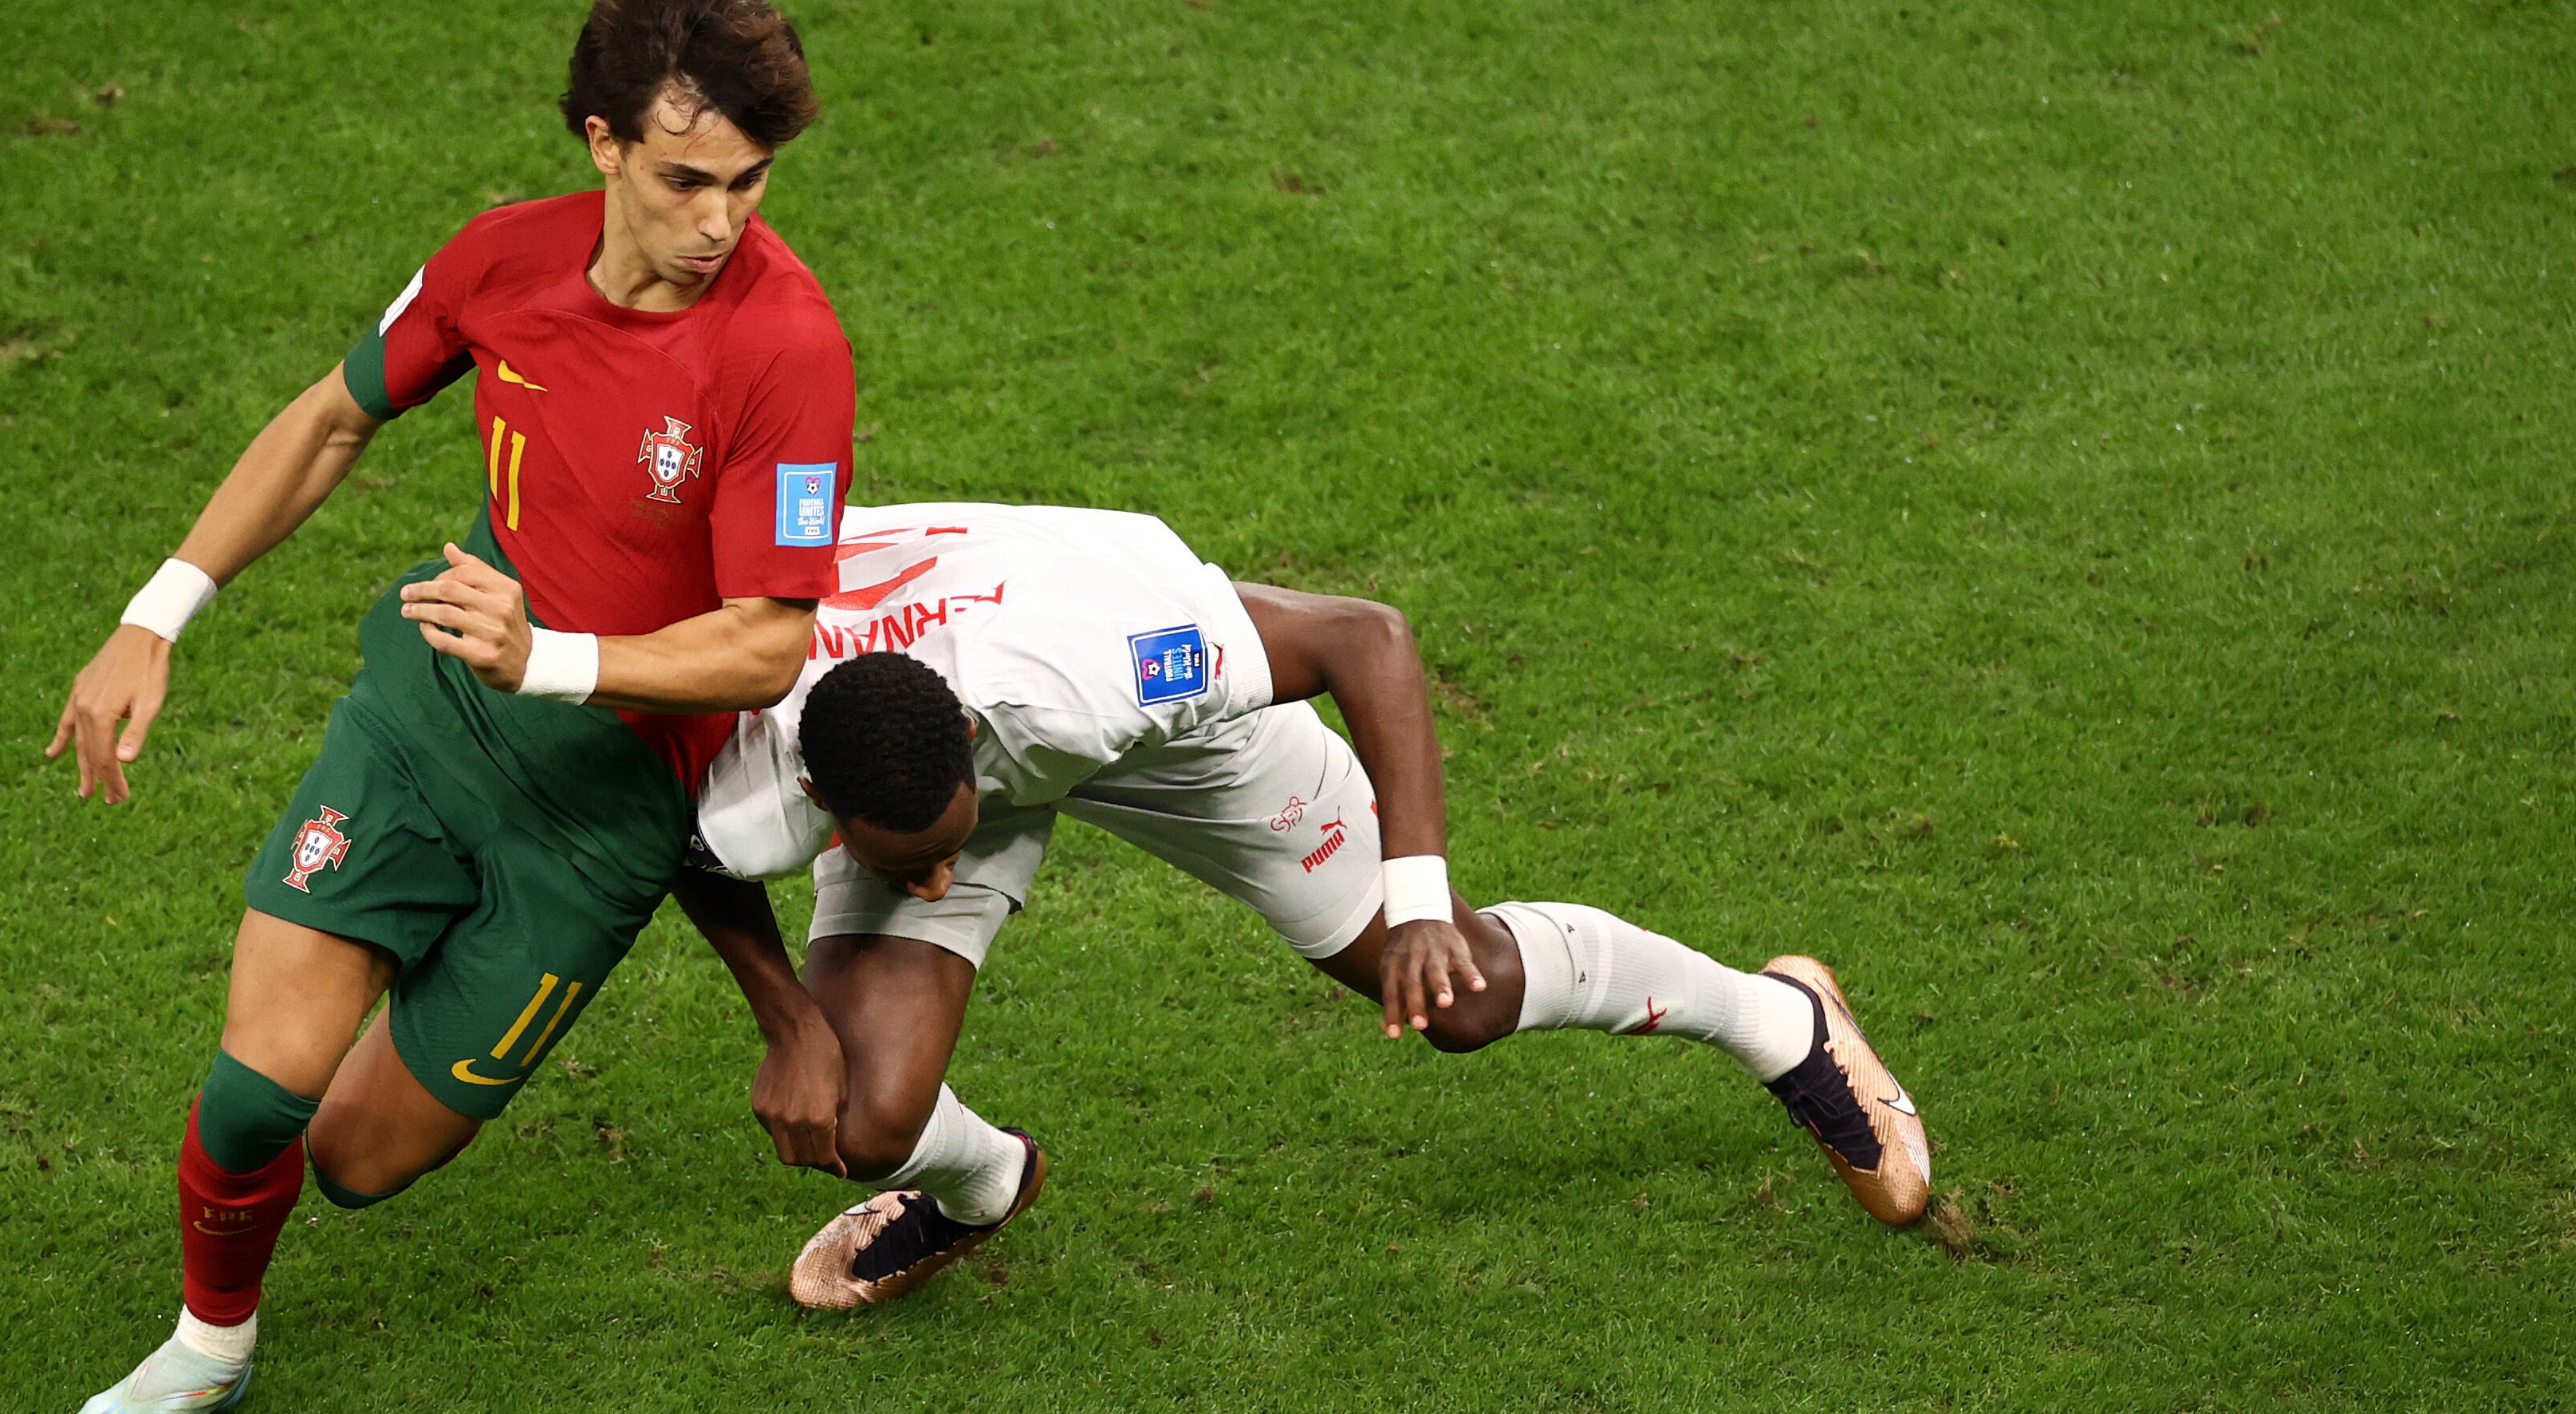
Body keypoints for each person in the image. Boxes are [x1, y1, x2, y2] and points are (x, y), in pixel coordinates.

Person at [50, 0, 856, 1414]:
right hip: (430, 717)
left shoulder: (786, 350)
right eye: (687, 181)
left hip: (604, 814)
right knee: (254, 1100)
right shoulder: (501, 263)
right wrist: (154, 613)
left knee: (354, 1159)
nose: (723, 222)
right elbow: (334, 416)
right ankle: (207, 1350)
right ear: (604, 144)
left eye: (751, 183)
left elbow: (767, 641)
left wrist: (549, 660)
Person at [672, 502, 1931, 1309]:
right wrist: (789, 1018)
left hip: (1160, 738)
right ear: (819, 808)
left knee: (1464, 1006)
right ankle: (987, 1186)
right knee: (852, 1108)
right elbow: (664, 846)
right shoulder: (751, 740)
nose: (943, 887)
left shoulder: (1114, 661)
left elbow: (1365, 639)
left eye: (950, 855)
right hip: (901, 738)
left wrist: (1422, 897)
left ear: (976, 754)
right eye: (910, 870)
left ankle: (1781, 1021)